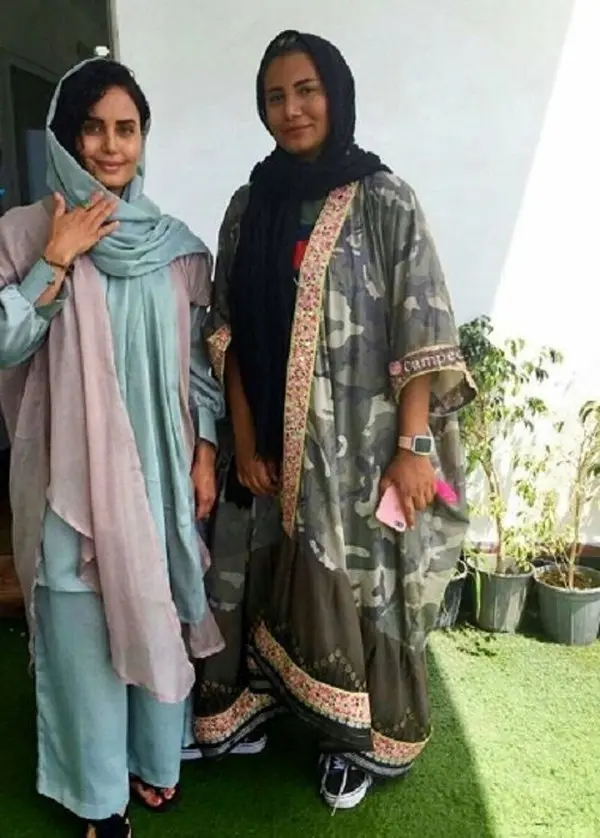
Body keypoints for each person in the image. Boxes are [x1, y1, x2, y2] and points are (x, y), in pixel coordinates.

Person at [190, 30, 476, 811]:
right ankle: (269, 707)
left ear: (337, 94)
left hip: (357, 451)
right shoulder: (249, 206)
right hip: (267, 449)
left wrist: (414, 447)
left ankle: (355, 743)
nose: (292, 109)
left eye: (306, 90)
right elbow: (228, 334)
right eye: (276, 96)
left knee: (355, 586)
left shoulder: (385, 200)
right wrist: (246, 440)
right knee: (264, 569)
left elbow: (422, 330)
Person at [0, 58, 224, 837]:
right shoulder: (23, 232)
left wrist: (204, 450)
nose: (110, 145)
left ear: (142, 138)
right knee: (81, 627)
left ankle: (154, 761)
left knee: (151, 603)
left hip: (157, 472)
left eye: (126, 129)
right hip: (68, 475)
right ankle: (97, 797)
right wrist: (55, 258)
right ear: (66, 136)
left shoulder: (176, 247)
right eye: (92, 128)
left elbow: (196, 368)